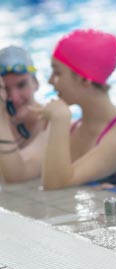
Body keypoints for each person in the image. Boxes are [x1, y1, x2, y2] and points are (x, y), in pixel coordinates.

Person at [36, 28, 116, 190]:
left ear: (85, 80)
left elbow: (54, 185)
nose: (50, 81)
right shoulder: (75, 128)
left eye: (57, 72)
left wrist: (59, 120)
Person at [0, 46, 48, 183]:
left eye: (21, 85)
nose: (13, 98)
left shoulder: (51, 123)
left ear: (36, 83)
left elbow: (15, 175)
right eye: (5, 89)